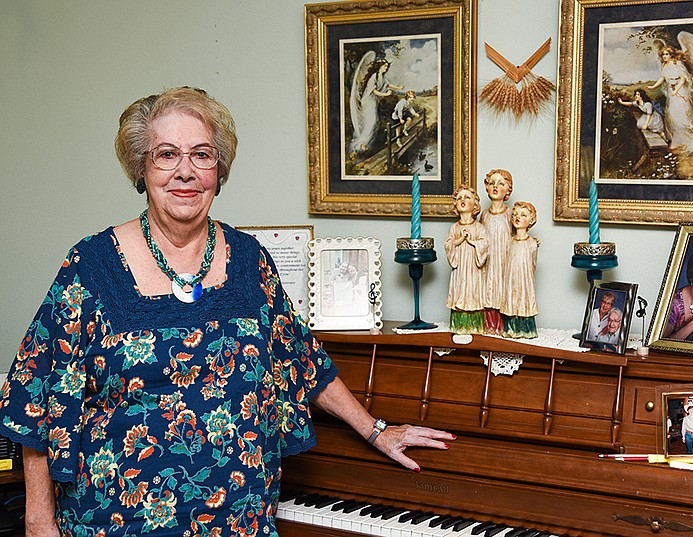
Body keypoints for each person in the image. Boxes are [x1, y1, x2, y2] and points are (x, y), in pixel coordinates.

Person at [0, 87, 453, 537]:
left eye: (201, 155)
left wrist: (377, 431)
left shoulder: (248, 260)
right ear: (142, 168)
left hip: (240, 516)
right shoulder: (92, 266)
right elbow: (35, 393)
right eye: (166, 155)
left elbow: (300, 359)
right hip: (118, 520)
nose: (185, 172)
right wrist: (39, 520)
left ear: (219, 169)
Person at [445, 185, 488, 334]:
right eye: (459, 198)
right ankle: (459, 325)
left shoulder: (479, 227)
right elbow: (448, 245)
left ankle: (474, 325)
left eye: (467, 197)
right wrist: (459, 240)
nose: (463, 200)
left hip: (474, 269)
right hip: (460, 269)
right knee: (460, 290)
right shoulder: (454, 228)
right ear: (455, 204)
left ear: (475, 204)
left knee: (473, 291)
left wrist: (472, 242)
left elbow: (484, 245)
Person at [646, 46, 693, 156]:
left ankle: (689, 140)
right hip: (671, 93)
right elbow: (662, 78)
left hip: (680, 92)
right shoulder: (665, 67)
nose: (664, 57)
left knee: (681, 114)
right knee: (672, 115)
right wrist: (652, 87)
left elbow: (683, 79)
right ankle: (677, 140)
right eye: (663, 55)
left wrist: (676, 90)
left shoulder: (678, 64)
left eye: (666, 54)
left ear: (671, 54)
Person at [479, 169, 513, 335]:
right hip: (489, 260)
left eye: (501, 183)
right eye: (492, 183)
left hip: (505, 260)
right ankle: (489, 325)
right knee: (489, 289)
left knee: (504, 289)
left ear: (508, 189)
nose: (495, 187)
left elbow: (519, 235)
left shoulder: (510, 215)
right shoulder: (484, 215)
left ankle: (503, 325)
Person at [500, 201, 538, 339]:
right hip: (511, 279)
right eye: (515, 214)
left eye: (523, 215)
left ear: (531, 220)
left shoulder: (532, 243)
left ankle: (525, 329)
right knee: (511, 299)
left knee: (523, 300)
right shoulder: (509, 242)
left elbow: (533, 264)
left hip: (524, 279)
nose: (518, 217)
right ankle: (511, 328)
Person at [350, 57, 405, 154]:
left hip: (373, 101)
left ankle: (364, 143)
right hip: (368, 101)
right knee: (370, 121)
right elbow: (374, 91)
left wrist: (399, 87)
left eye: (387, 67)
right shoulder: (374, 77)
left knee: (373, 122)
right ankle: (362, 143)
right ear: (380, 67)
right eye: (385, 66)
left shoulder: (382, 77)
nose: (386, 68)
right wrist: (386, 94)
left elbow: (388, 85)